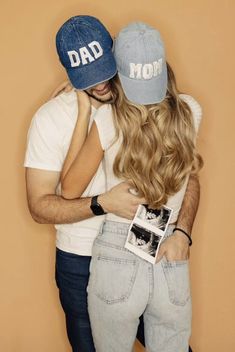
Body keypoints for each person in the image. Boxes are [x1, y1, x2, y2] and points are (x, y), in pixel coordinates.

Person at [24, 15, 199, 352]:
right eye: (88, 78)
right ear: (71, 73)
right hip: (79, 259)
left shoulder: (143, 100)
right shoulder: (49, 118)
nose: (102, 84)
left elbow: (187, 179)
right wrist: (102, 202)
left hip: (144, 240)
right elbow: (39, 205)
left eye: (106, 70)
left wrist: (183, 232)